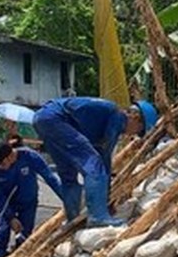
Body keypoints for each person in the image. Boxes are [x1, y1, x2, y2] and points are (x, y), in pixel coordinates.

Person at [31, 97, 157, 228]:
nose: (134, 134)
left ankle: (72, 219)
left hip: (43, 118)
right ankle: (98, 216)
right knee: (95, 166)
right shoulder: (117, 117)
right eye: (139, 130)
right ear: (136, 118)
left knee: (68, 174)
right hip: (56, 119)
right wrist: (106, 200)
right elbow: (105, 157)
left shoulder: (102, 119)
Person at [0, 139, 66, 257]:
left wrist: (68, 200)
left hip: (28, 204)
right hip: (7, 205)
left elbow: (50, 178)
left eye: (1, 164)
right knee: (1, 237)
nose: (0, 168)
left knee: (25, 239)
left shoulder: (30, 157)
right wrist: (11, 217)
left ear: (9, 157)